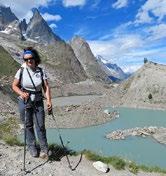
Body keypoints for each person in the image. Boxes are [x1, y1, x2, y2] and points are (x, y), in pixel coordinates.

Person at [12, 47, 52, 158]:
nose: (29, 61)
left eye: (31, 58)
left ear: (35, 58)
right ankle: (32, 147)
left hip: (38, 100)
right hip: (25, 100)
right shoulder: (21, 71)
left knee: (40, 125)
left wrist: (49, 100)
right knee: (28, 125)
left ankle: (44, 148)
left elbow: (46, 87)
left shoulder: (41, 71)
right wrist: (21, 93)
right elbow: (14, 85)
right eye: (26, 59)